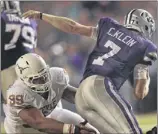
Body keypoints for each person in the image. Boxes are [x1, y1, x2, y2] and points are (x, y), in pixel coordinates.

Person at [22, 9, 157, 134]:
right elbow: (140, 93)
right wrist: (143, 71)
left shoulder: (109, 27)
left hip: (81, 95)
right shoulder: (145, 46)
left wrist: (42, 15)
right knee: (132, 130)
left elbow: (73, 27)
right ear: (146, 27)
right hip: (100, 86)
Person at [4, 53, 98, 134]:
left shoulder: (56, 75)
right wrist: (73, 130)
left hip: (49, 116)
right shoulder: (17, 93)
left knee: (90, 129)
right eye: (37, 80)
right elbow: (38, 123)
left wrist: (93, 103)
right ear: (24, 79)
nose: (43, 81)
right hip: (24, 130)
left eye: (44, 76)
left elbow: (69, 94)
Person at [1, 1, 37, 102]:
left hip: (9, 68)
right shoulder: (31, 21)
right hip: (32, 69)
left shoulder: (2, 18)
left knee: (16, 112)